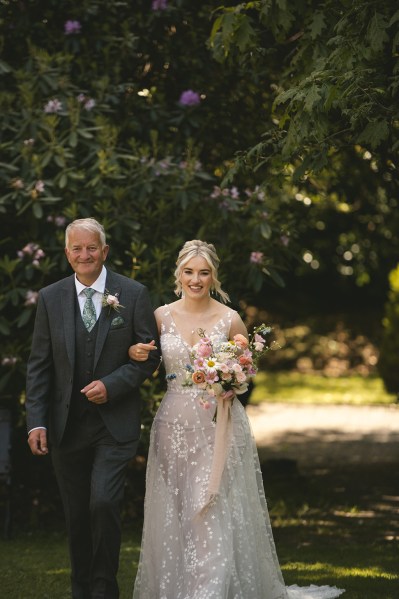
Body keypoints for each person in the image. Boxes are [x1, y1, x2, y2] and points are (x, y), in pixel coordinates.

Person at [129, 240, 345, 599]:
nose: (195, 279)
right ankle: (177, 587)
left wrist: (231, 382)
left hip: (219, 425)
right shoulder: (160, 316)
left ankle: (209, 593)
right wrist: (134, 352)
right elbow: (148, 365)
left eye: (203, 273)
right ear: (177, 274)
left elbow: (244, 371)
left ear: (214, 277)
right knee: (179, 511)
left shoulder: (229, 318)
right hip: (172, 426)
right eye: (189, 272)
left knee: (208, 508)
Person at [25, 217, 160, 599]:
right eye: (76, 248)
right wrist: (36, 422)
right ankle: (80, 589)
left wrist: (112, 385)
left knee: (103, 502)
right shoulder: (51, 298)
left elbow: (149, 357)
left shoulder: (132, 293)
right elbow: (39, 365)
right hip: (66, 425)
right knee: (77, 515)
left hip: (113, 426)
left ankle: (103, 590)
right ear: (67, 253)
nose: (84, 255)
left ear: (105, 251)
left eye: (91, 248)